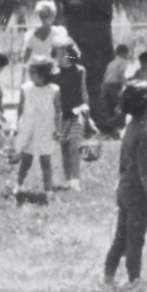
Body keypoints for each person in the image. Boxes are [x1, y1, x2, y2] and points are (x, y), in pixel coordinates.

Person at [103, 79, 147, 289]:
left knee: (121, 236)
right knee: (135, 240)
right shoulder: (145, 134)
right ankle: (134, 280)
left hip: (124, 188)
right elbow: (145, 174)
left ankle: (108, 277)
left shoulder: (129, 128)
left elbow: (122, 164)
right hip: (137, 193)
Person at [11, 57, 63, 201]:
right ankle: (18, 184)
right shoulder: (26, 89)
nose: (30, 76)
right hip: (29, 128)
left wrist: (58, 130)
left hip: (46, 129)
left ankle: (48, 190)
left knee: (45, 160)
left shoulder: (54, 90)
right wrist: (15, 124)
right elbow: (20, 108)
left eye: (33, 73)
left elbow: (58, 111)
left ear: (43, 75)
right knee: (26, 159)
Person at [53, 42, 91, 185]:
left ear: (71, 55)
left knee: (74, 147)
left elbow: (83, 91)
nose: (61, 57)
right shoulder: (54, 74)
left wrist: (86, 107)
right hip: (61, 115)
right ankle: (67, 178)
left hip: (77, 113)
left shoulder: (79, 70)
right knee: (64, 148)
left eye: (65, 54)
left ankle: (75, 180)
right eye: (58, 54)